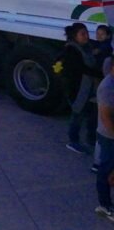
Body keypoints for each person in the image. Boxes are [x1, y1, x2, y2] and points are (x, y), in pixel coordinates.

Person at [56, 23, 103, 154]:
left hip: (90, 89)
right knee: (78, 115)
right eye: (82, 34)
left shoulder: (86, 46)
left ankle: (91, 138)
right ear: (74, 36)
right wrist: (101, 75)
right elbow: (82, 69)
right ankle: (73, 141)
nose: (86, 36)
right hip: (77, 90)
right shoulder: (71, 51)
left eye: (87, 32)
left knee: (93, 114)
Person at [95, 60, 114, 221]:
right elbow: (106, 118)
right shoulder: (107, 88)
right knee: (106, 169)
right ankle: (105, 206)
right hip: (110, 136)